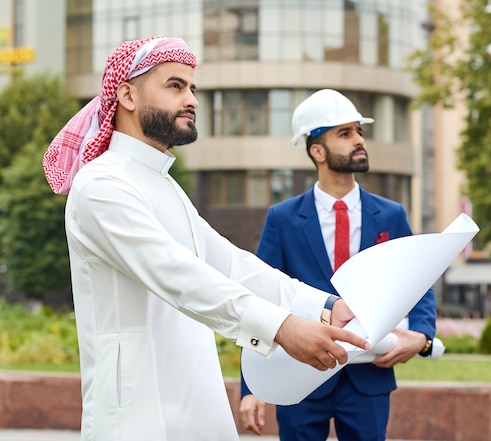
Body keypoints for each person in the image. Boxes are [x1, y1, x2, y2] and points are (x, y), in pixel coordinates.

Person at [42, 38, 369, 441]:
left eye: (193, 89)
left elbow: (230, 265)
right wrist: (283, 328)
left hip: (198, 404)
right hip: (137, 415)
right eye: (175, 86)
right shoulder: (101, 185)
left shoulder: (164, 186)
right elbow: (177, 275)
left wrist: (323, 306)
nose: (191, 99)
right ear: (126, 94)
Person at [239, 89, 437, 441]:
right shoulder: (282, 219)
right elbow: (261, 297)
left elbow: (418, 281)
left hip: (368, 379)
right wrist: (250, 386)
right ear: (317, 150)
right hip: (299, 373)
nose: (359, 140)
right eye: (345, 134)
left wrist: (422, 334)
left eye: (359, 132)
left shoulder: (391, 215)